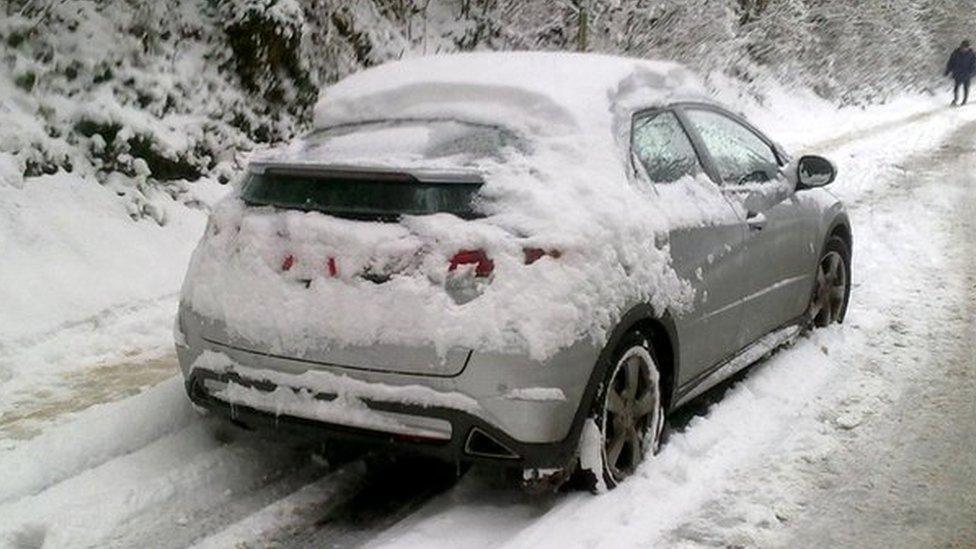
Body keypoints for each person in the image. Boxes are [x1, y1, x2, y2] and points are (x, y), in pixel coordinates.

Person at [945, 40, 976, 106]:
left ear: (968, 47)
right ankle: (955, 100)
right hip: (957, 73)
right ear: (961, 46)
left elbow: (974, 64)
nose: (964, 49)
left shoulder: (972, 54)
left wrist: (972, 73)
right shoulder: (955, 52)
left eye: (966, 47)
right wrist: (947, 71)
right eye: (963, 47)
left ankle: (964, 101)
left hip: (967, 74)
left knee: (966, 88)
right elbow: (950, 62)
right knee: (956, 88)